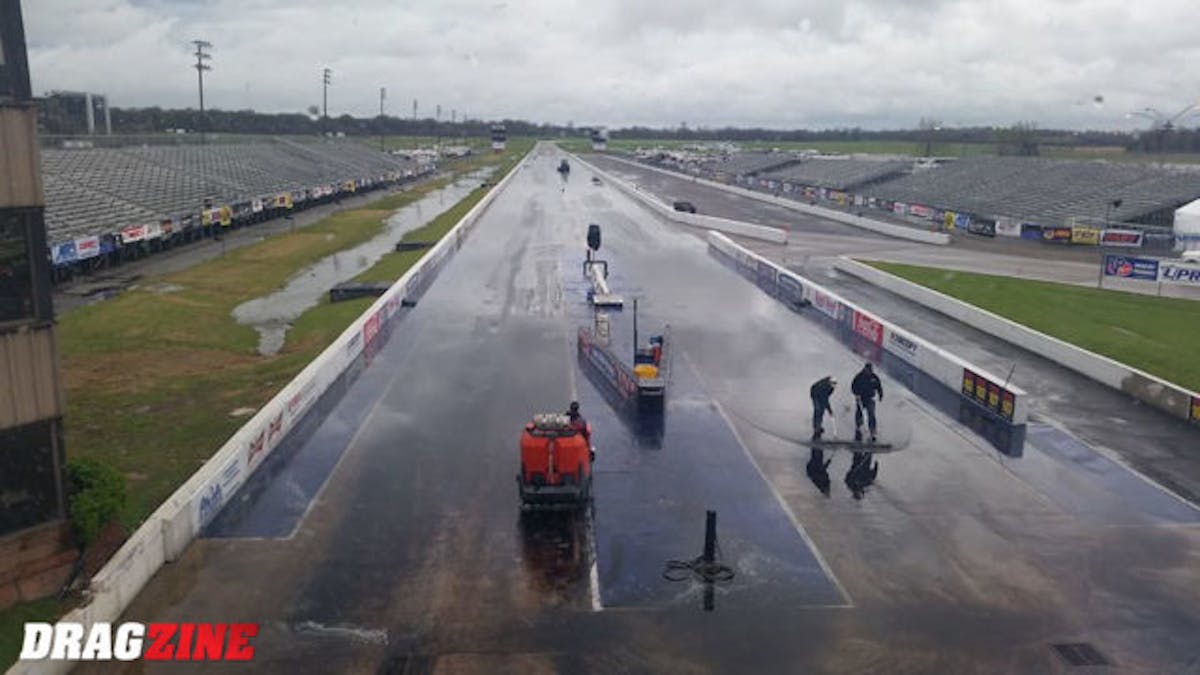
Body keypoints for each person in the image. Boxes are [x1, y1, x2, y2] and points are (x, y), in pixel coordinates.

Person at [851, 363, 884, 442]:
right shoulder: (859, 377)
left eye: (870, 370)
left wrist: (880, 395)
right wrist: (856, 394)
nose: (869, 371)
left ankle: (872, 432)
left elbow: (879, 387)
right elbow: (853, 386)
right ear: (865, 369)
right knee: (859, 413)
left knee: (871, 414)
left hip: (870, 398)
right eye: (868, 370)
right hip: (861, 398)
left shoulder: (874, 377)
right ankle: (858, 428)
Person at [809, 376, 837, 440]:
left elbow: (827, 397)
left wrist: (828, 409)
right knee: (818, 410)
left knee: (822, 410)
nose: (834, 385)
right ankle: (816, 428)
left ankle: (819, 426)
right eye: (833, 383)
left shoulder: (832, 388)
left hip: (822, 395)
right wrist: (830, 410)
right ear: (829, 382)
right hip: (815, 393)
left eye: (835, 384)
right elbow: (825, 399)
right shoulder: (824, 387)